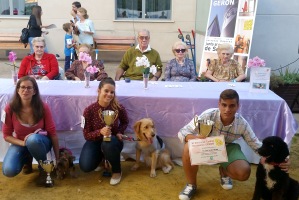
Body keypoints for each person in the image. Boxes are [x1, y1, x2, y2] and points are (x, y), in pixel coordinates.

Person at [177, 89, 291, 200]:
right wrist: (197, 139)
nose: (227, 109)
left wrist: (284, 158)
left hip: (227, 148)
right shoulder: (208, 115)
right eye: (224, 105)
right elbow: (183, 132)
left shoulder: (242, 124)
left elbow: (257, 145)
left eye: (232, 105)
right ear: (219, 104)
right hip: (206, 145)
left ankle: (224, 172)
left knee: (243, 173)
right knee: (188, 147)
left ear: (238, 106)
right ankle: (191, 185)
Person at [2, 76, 59, 183]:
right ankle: (26, 159)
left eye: (29, 88)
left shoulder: (43, 107)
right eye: (22, 87)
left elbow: (53, 133)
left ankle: (43, 167)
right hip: (21, 143)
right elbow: (6, 135)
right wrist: (23, 143)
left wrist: (57, 158)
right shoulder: (9, 108)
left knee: (32, 140)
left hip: (41, 143)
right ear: (17, 90)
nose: (25, 90)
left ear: (34, 91)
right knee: (8, 170)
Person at [79, 77, 129, 185]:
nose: (109, 94)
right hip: (95, 141)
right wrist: (99, 132)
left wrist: (120, 132)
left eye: (112, 92)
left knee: (108, 143)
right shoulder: (89, 110)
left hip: (113, 141)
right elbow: (86, 135)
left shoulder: (118, 108)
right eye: (106, 91)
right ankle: (102, 159)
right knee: (85, 166)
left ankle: (116, 171)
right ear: (99, 90)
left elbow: (125, 122)